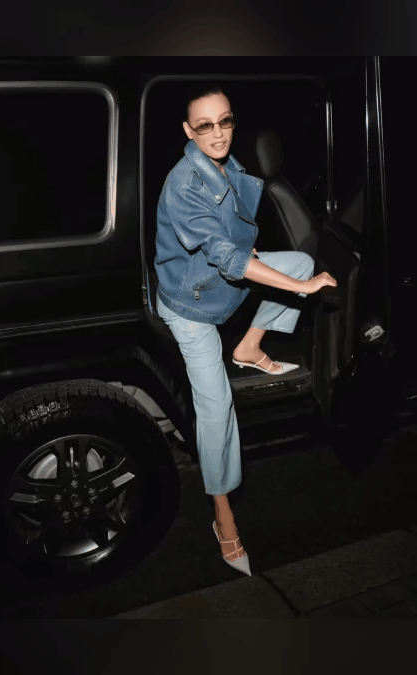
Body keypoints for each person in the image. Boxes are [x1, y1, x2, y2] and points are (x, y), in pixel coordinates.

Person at [154, 84, 337, 577]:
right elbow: (223, 255)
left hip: (216, 280)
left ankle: (249, 346)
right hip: (190, 304)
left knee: (299, 260)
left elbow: (231, 240)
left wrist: (267, 262)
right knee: (216, 407)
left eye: (226, 121)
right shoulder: (183, 183)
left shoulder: (225, 164)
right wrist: (303, 289)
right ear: (188, 130)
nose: (218, 133)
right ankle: (223, 514)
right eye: (205, 125)